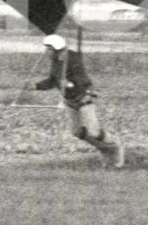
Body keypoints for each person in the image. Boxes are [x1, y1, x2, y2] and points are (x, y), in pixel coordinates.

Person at [36, 33, 125, 168]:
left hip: (84, 98)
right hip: (70, 101)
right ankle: (104, 149)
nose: (47, 52)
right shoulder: (56, 62)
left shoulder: (73, 59)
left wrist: (70, 83)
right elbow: (52, 80)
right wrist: (36, 86)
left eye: (49, 49)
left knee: (93, 132)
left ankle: (115, 147)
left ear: (56, 49)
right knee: (78, 132)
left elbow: (82, 78)